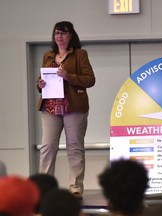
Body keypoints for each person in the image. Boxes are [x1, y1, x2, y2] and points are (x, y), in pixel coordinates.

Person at [36, 21, 96, 200]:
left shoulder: (80, 54)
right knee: (47, 147)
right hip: (50, 106)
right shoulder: (48, 55)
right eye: (56, 33)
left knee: (75, 147)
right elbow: (43, 78)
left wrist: (69, 76)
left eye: (63, 33)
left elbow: (90, 80)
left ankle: (75, 187)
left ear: (71, 36)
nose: (59, 37)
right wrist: (39, 84)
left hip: (73, 106)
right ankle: (44, 187)